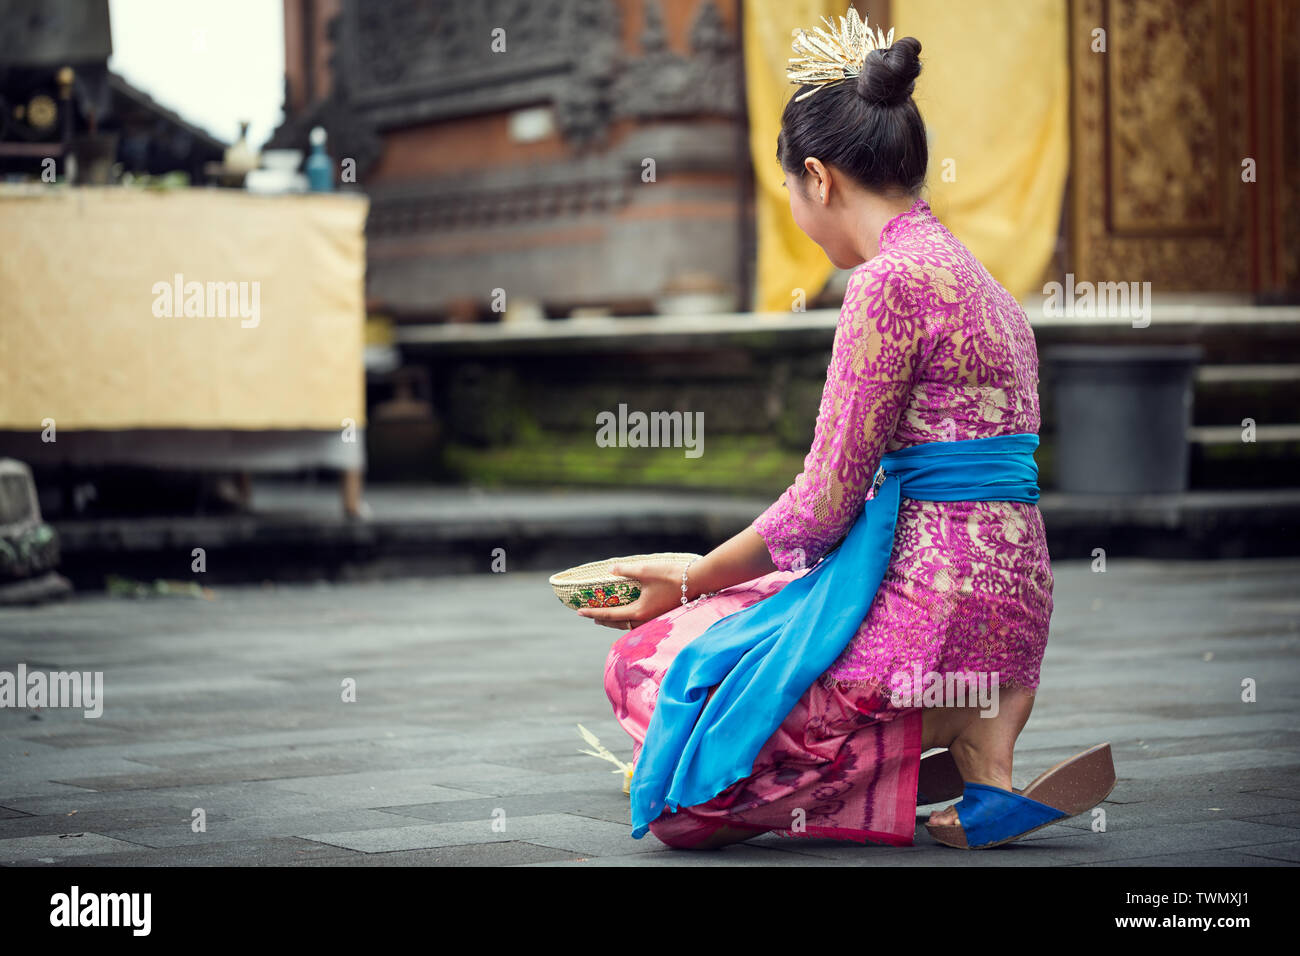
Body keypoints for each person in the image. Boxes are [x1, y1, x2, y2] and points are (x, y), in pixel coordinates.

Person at [580, 12, 1108, 851]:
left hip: (933, 618)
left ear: (818, 179)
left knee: (655, 674)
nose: (793, 206)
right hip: (1015, 619)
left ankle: (896, 749)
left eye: (787, 188)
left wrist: (694, 580)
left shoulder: (886, 283)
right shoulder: (982, 281)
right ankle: (983, 760)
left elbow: (825, 502)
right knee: (744, 630)